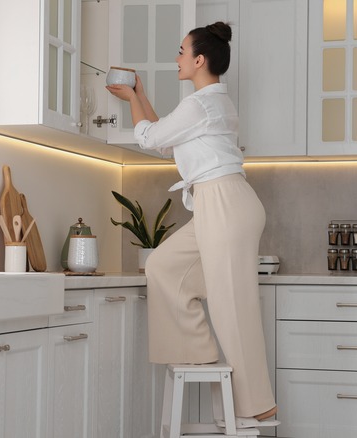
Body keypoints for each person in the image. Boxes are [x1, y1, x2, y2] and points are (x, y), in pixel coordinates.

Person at [106, 22, 277, 423]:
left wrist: (131, 97)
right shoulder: (207, 104)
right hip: (219, 203)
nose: (177, 57)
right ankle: (198, 353)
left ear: (199, 60)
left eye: (182, 51)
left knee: (232, 305)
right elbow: (165, 141)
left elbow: (148, 139)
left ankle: (258, 404)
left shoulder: (200, 104)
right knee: (164, 267)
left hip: (225, 203)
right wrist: (142, 96)